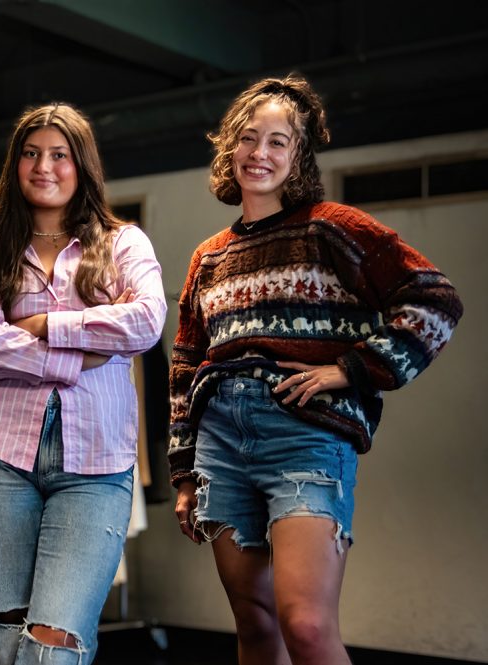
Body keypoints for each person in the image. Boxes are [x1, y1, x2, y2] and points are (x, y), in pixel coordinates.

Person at [169, 73, 463, 664]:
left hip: (303, 434)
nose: (261, 153)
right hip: (220, 443)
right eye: (249, 139)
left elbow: (435, 300)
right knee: (254, 627)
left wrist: (352, 369)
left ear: (299, 155)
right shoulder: (209, 256)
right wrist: (181, 471)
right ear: (230, 148)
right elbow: (185, 364)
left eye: (279, 141)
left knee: (304, 624)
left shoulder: (335, 228)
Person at [0, 103, 166, 664]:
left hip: (95, 469)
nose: (43, 166)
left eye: (59, 154)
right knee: (6, 637)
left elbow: (146, 321)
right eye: (31, 153)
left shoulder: (124, 243)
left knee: (55, 645)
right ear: (14, 164)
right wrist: (78, 358)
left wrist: (49, 325)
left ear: (82, 165)